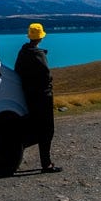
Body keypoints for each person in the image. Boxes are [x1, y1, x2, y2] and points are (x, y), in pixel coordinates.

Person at [13, 22, 61, 173]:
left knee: (32, 126)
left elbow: (18, 71)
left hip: (28, 95)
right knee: (47, 129)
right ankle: (46, 164)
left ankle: (13, 155)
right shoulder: (38, 54)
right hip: (43, 96)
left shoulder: (23, 52)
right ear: (40, 37)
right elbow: (46, 76)